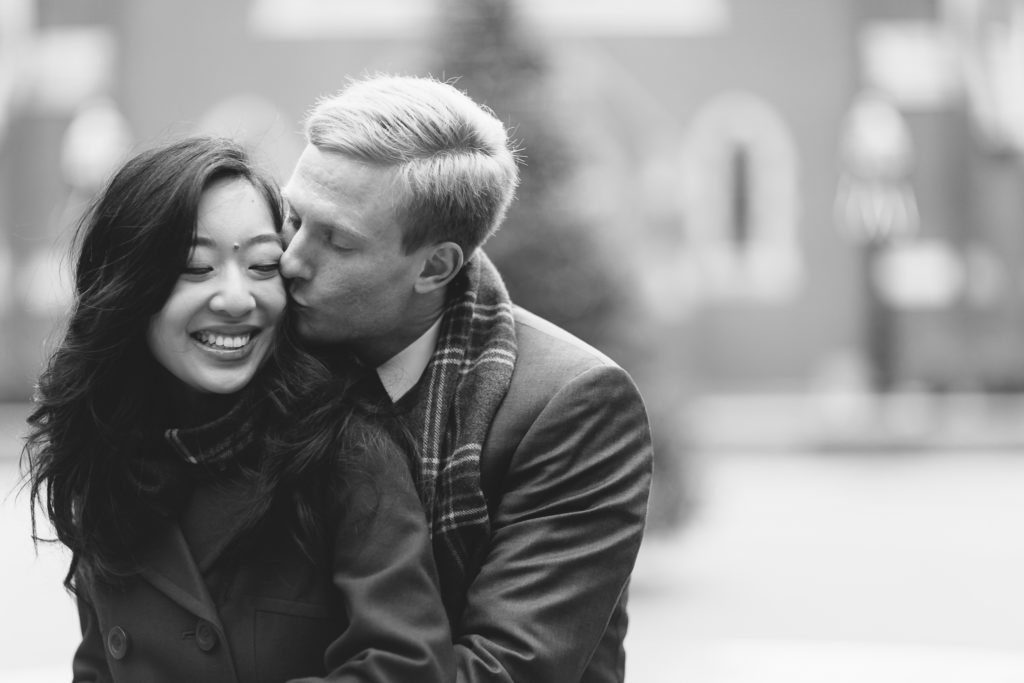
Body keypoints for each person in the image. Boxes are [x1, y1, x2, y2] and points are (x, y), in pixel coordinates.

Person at [22, 136, 454, 683]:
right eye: (197, 268)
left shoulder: (342, 446)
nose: (236, 299)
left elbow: (407, 666)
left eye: (262, 265)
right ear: (127, 286)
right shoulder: (103, 447)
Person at [280, 74, 654, 682]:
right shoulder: (266, 354)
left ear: (436, 266)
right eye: (291, 215)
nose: (291, 259)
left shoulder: (573, 405)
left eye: (336, 242)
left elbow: (503, 670)